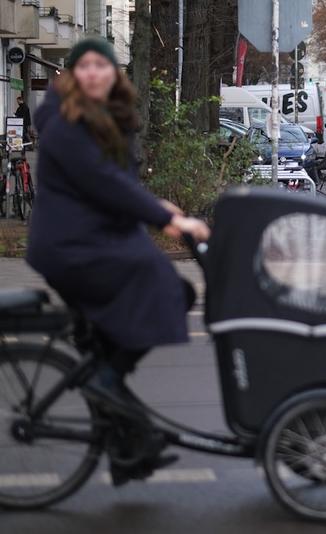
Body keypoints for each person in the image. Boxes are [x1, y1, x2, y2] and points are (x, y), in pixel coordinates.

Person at [26, 37, 210, 485]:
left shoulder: (103, 116)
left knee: (107, 349)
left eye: (100, 65)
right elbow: (101, 180)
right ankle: (107, 389)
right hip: (74, 247)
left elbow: (115, 180)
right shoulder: (65, 121)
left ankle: (128, 448)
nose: (92, 73)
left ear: (113, 74)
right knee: (170, 289)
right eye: (83, 66)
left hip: (95, 238)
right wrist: (165, 217)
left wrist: (156, 204)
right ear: (70, 75)